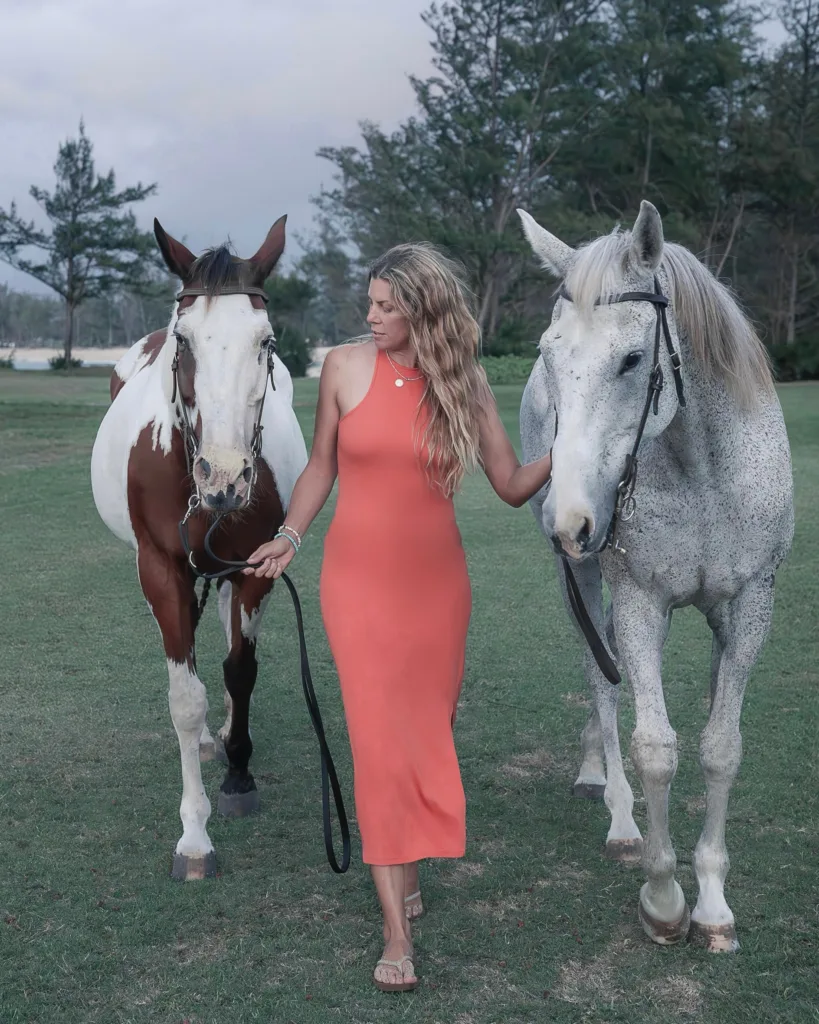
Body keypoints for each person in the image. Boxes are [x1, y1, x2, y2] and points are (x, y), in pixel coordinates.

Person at [244, 243, 552, 993]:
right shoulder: (345, 369)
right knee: (379, 747)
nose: (371, 316)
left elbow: (511, 485)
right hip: (357, 588)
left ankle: (406, 865)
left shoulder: (465, 384)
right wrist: (288, 536)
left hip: (436, 591)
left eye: (387, 305)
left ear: (425, 310)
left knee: (422, 736)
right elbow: (321, 464)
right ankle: (394, 932)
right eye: (371, 302)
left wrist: (572, 447)